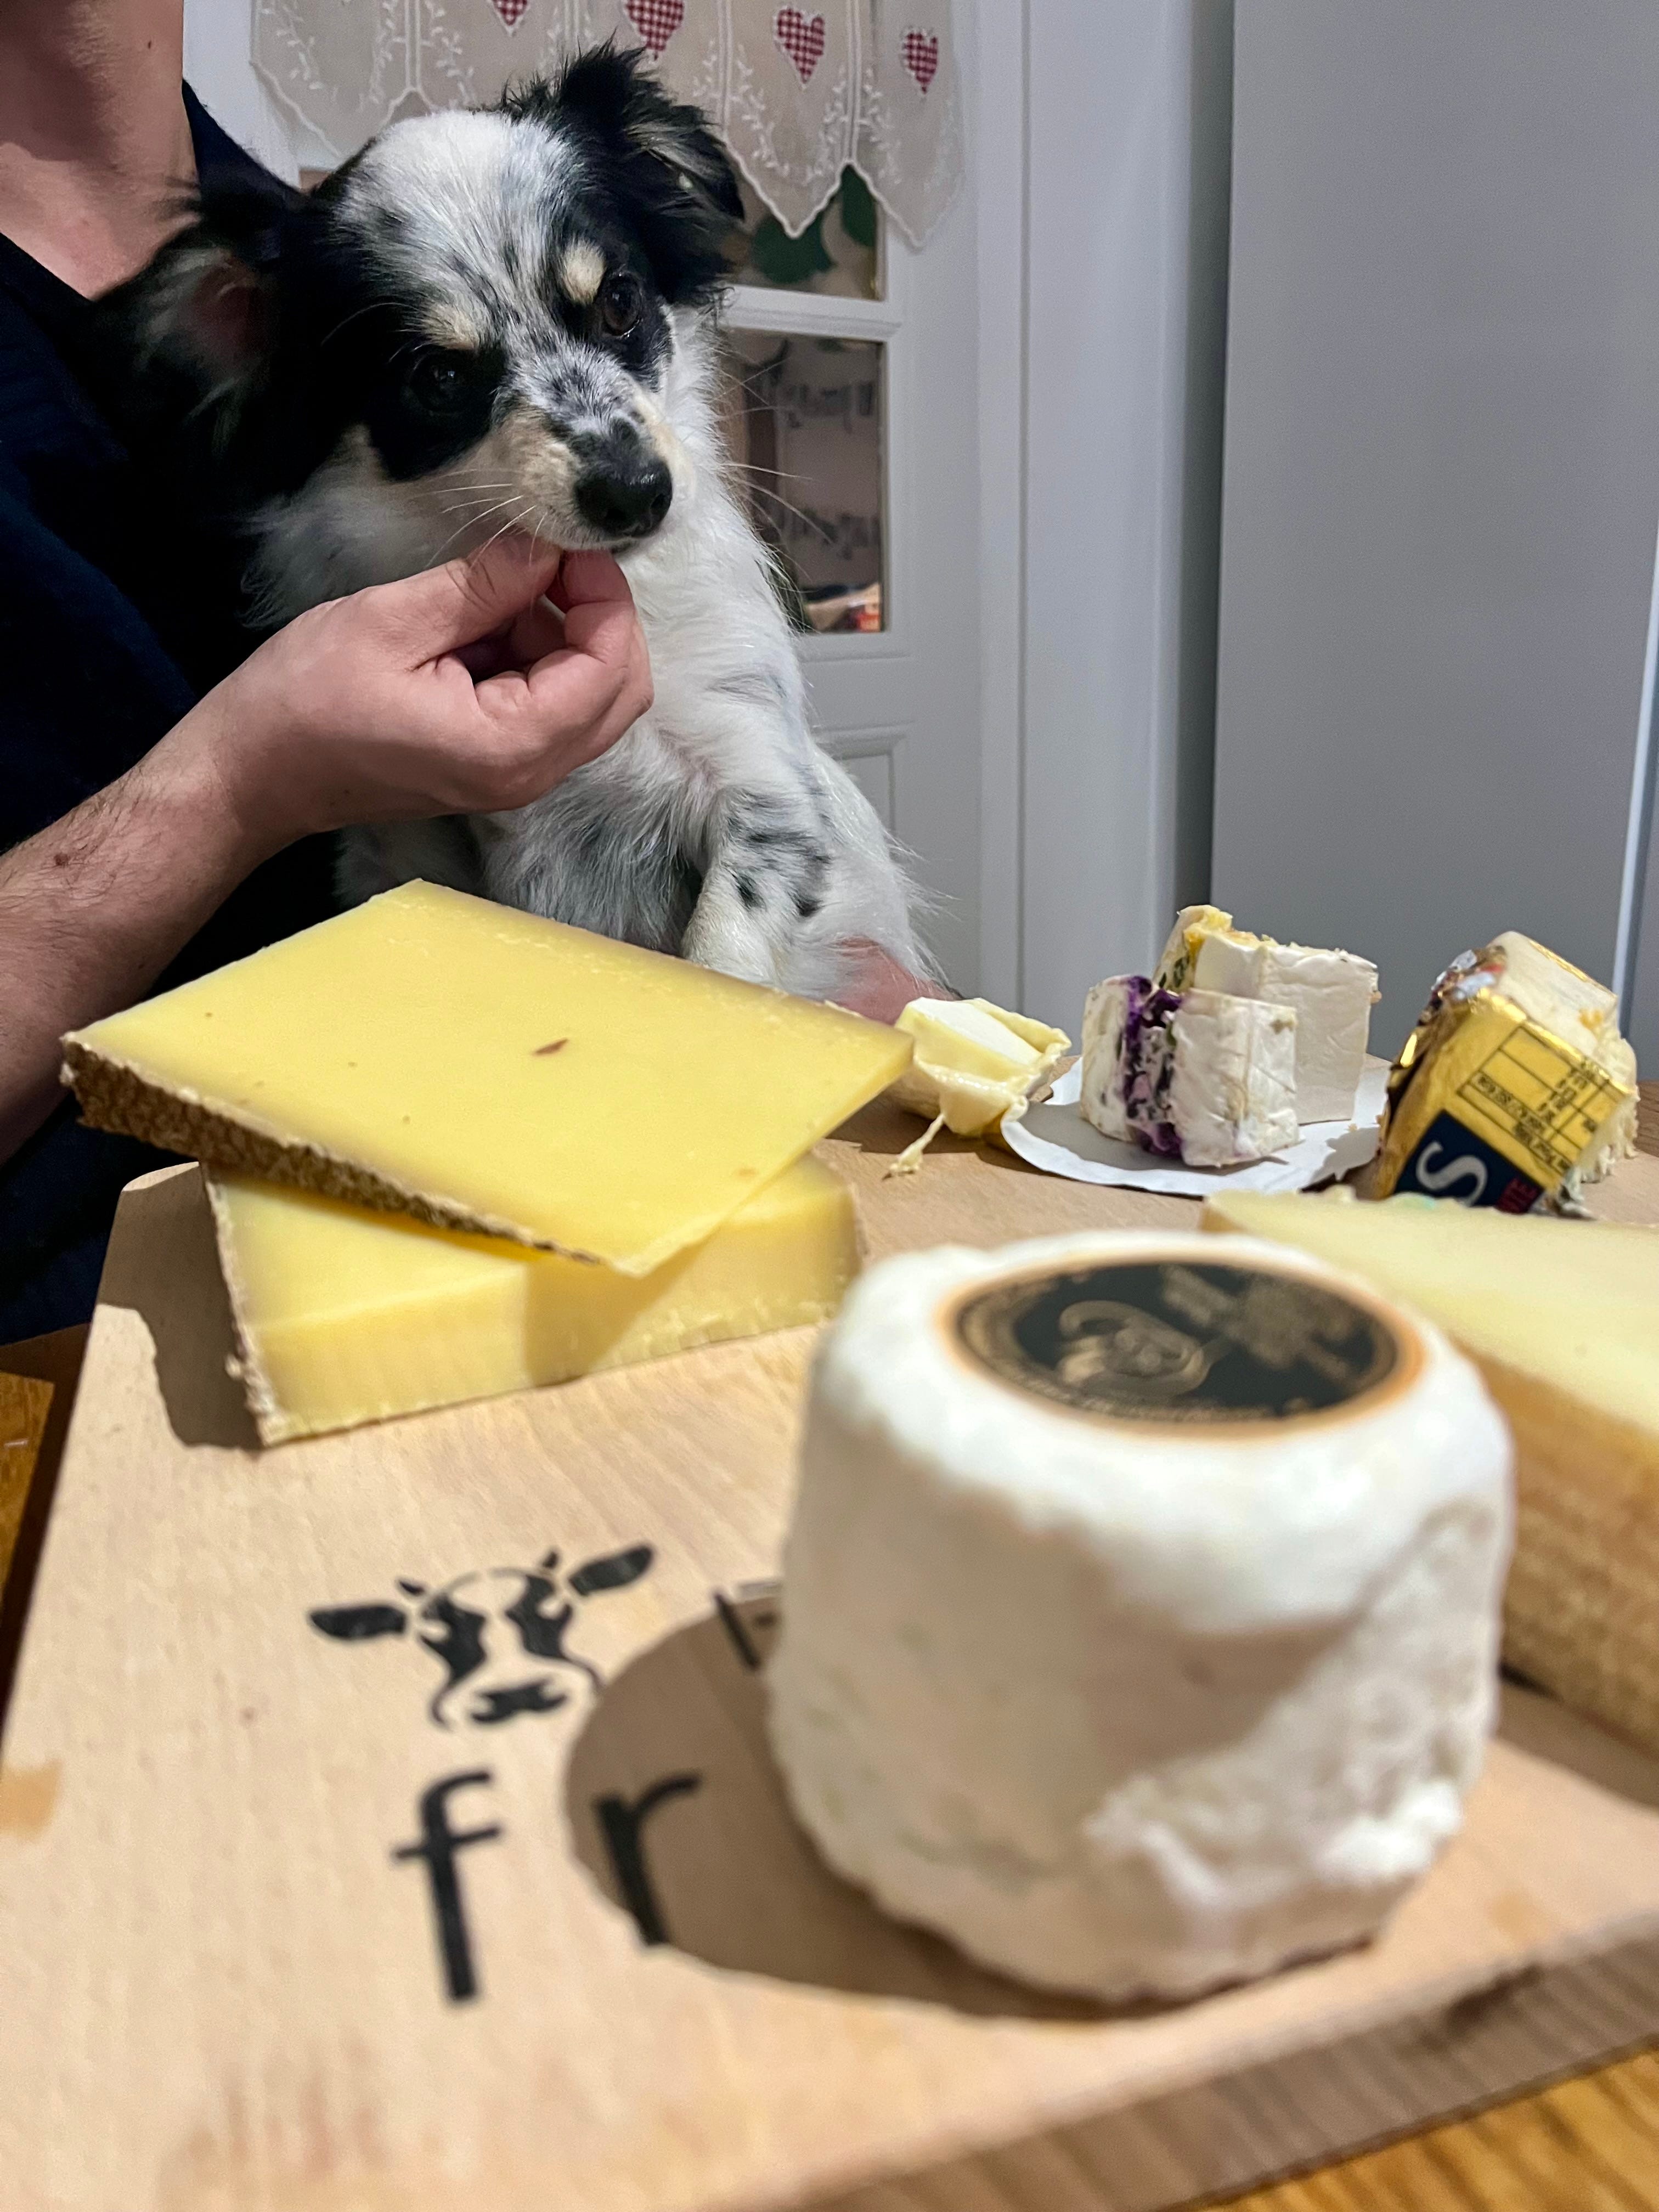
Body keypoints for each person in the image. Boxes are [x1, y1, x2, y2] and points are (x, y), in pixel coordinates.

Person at [0, 1, 930, 1341]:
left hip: (694, 1205)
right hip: (135, 1318)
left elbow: (779, 848)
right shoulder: (290, 300)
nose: (611, 446)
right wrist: (243, 780)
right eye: (449, 372)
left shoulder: (316, 245)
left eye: (615, 310)